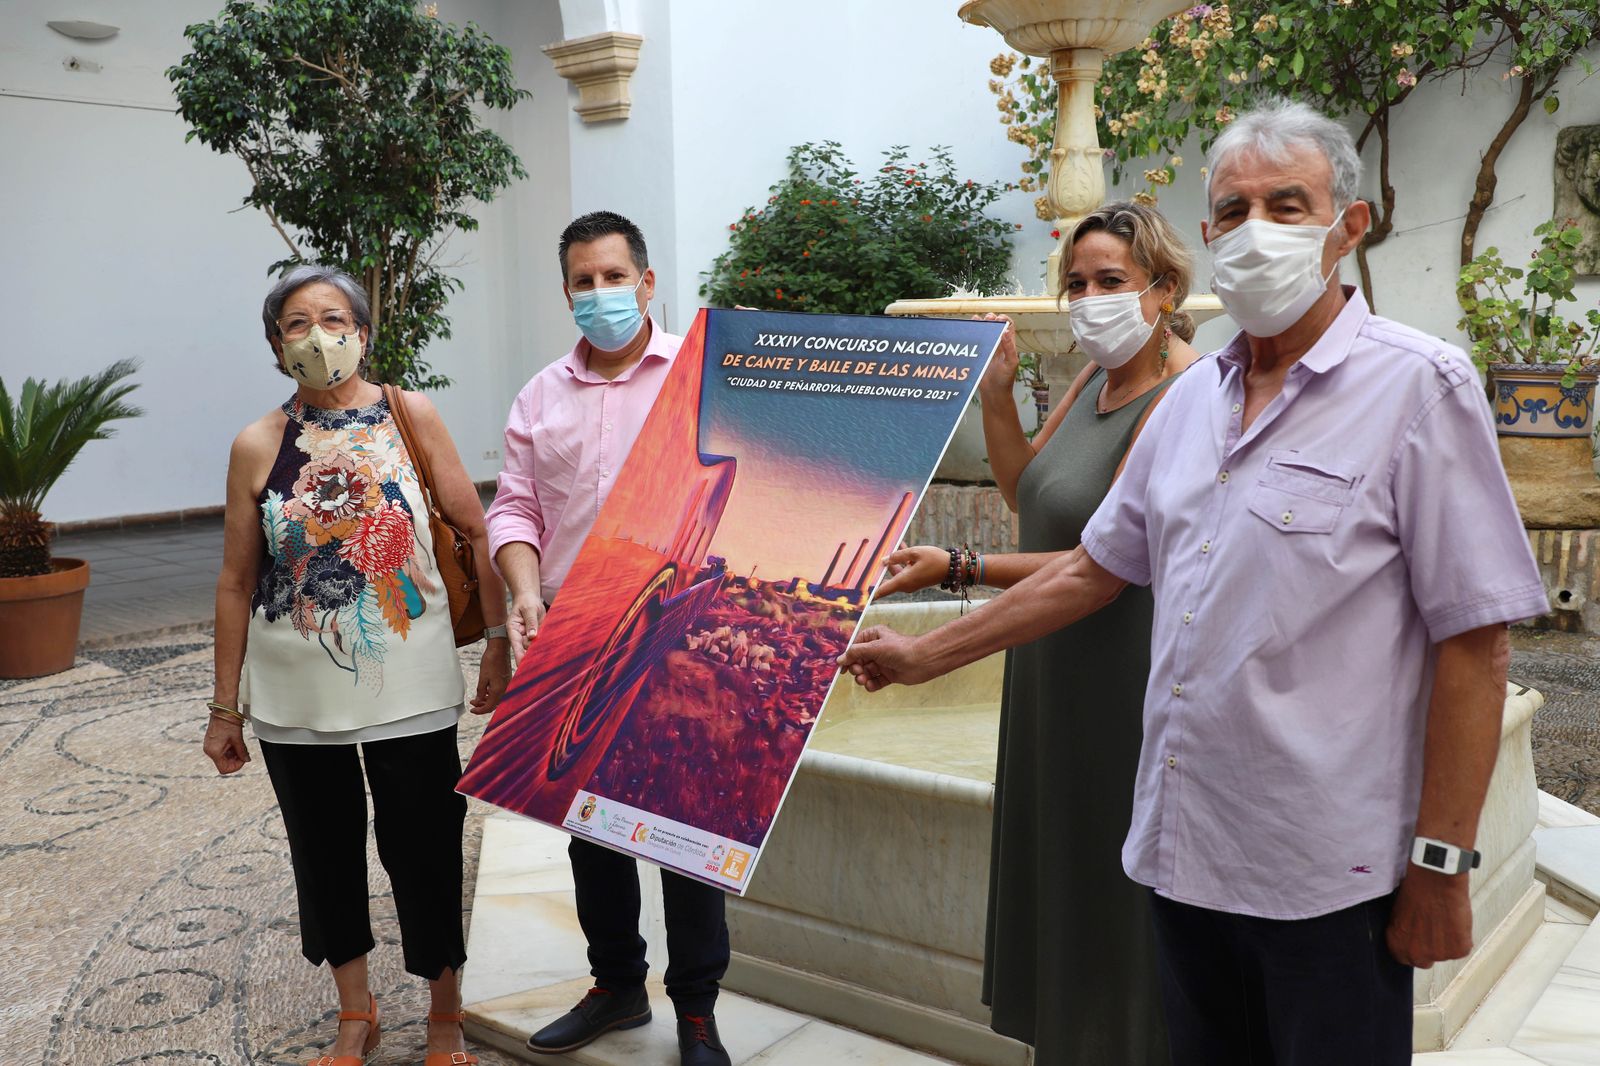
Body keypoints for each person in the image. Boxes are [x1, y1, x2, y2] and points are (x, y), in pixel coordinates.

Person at [840, 99, 1550, 1066]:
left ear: (1348, 226)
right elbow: (1091, 570)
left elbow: (1475, 640)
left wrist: (1442, 864)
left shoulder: (1420, 389)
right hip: (1182, 860)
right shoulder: (1190, 405)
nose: (1256, 231)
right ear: (1209, 235)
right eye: (1233, 210)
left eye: (1287, 206)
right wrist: (927, 654)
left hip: (1324, 881)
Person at [878, 200, 1199, 1065]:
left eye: (1111, 281)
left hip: (1119, 672)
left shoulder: (1184, 395)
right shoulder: (1098, 378)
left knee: (1111, 871)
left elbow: (1107, 560)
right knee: (1059, 860)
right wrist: (995, 393)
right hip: (1048, 662)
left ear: (1164, 290)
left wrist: (960, 566)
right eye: (1077, 284)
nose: (1090, 299)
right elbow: (1029, 495)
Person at [205, 264, 512, 1066]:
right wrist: (224, 706)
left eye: (334, 319)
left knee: (425, 845)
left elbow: (475, 530)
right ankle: (356, 1011)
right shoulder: (257, 444)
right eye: (296, 324)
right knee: (323, 851)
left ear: (364, 333)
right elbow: (236, 580)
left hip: (411, 684)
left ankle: (444, 1014)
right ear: (276, 346)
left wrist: (498, 641)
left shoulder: (410, 415)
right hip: (293, 693)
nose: (318, 336)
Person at [485, 210, 733, 1066]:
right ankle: (617, 984)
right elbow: (516, 507)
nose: (600, 294)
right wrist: (524, 592)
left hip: (683, 627)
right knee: (588, 821)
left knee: (686, 827)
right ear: (566, 294)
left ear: (647, 283)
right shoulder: (540, 395)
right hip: (575, 628)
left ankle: (696, 1010)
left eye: (614, 277)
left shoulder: (702, 378)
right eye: (584, 282)